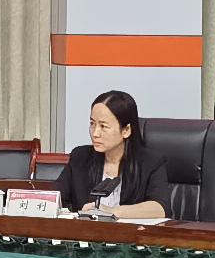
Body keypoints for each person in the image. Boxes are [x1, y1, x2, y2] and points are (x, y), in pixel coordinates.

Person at [54, 89, 170, 221]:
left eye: (103, 126)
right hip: (87, 232)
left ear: (126, 130)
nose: (95, 133)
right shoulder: (80, 157)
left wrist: (112, 212)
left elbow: (160, 208)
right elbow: (56, 198)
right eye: (92, 124)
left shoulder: (150, 162)